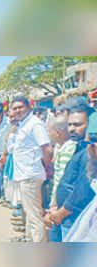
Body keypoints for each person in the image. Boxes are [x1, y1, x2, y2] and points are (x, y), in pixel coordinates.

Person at [7, 96, 52, 242]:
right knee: (29, 213)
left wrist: (45, 167)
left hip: (31, 175)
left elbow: (47, 149)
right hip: (23, 175)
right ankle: (29, 240)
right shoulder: (22, 125)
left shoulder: (34, 124)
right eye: (14, 108)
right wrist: (13, 127)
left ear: (28, 107)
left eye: (20, 107)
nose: (17, 110)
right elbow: (11, 148)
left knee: (34, 216)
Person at [49, 104, 94, 240]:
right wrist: (54, 204)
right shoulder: (78, 146)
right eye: (70, 125)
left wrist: (60, 214)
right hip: (65, 216)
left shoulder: (91, 151)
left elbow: (84, 190)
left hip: (75, 219)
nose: (72, 129)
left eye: (78, 124)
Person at [43, 115, 77, 242]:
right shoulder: (66, 147)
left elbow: (62, 181)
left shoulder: (68, 149)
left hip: (62, 206)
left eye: (49, 131)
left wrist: (53, 206)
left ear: (58, 133)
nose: (48, 134)